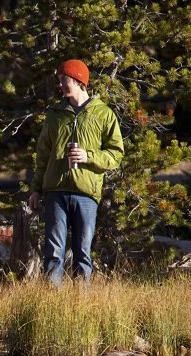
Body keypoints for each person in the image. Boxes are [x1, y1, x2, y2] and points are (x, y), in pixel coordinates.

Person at [27, 59, 124, 285]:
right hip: (56, 192)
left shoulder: (103, 114)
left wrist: (88, 156)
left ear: (80, 81)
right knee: (53, 252)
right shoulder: (55, 115)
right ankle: (54, 302)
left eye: (65, 80)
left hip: (87, 194)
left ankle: (82, 305)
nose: (61, 85)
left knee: (82, 252)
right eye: (60, 80)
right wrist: (36, 189)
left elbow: (116, 154)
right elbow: (42, 156)